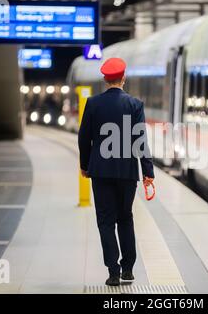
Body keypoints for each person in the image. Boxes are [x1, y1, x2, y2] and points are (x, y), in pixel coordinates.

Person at [78, 58, 155, 286]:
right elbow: (141, 141)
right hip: (127, 172)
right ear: (123, 78)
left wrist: (85, 165)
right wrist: (148, 171)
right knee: (125, 217)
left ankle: (113, 272)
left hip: (100, 172)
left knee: (105, 221)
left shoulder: (92, 104)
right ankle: (128, 268)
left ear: (104, 80)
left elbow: (84, 139)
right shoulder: (135, 105)